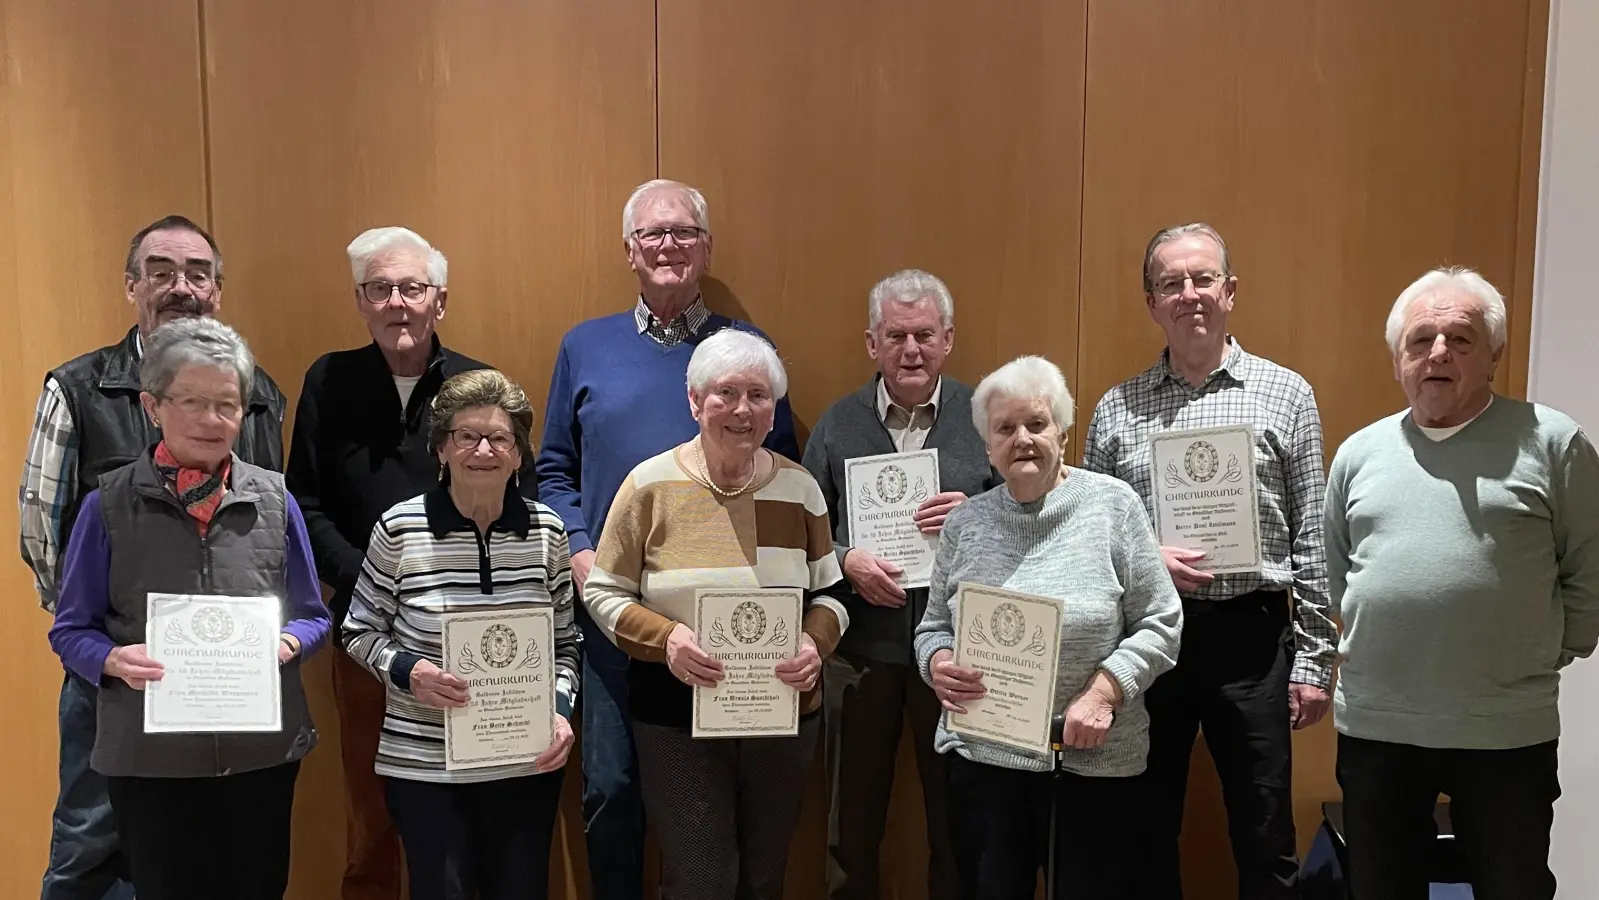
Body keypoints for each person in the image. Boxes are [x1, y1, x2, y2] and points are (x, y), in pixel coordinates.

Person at [536, 178, 799, 898]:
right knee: (612, 792)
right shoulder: (584, 347)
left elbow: (784, 472)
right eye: (652, 234)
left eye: (683, 232)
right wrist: (586, 556)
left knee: (711, 812)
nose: (668, 246)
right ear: (629, 251)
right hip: (613, 612)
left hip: (724, 630)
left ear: (706, 249)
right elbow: (553, 469)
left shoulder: (746, 352)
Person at [20, 214, 287, 900]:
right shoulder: (78, 386)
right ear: (131, 285)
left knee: (213, 849)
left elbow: (266, 532)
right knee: (89, 842)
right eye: (161, 271)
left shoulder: (260, 396)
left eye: (197, 273)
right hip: (114, 675)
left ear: (218, 290)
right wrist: (102, 643)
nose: (180, 287)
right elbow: (41, 531)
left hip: (224, 677)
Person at [1325, 267, 1599, 900]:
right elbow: (1341, 573)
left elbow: (1589, 569)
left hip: (1505, 728)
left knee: (1513, 888)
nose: (1438, 354)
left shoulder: (1552, 443)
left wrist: (1542, 650)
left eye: (1461, 339)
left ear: (1494, 355)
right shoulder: (1358, 454)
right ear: (1399, 357)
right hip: (1379, 727)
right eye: (1421, 340)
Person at [1082, 222, 1335, 898]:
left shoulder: (1286, 394)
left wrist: (1314, 661)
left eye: (1201, 279)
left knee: (1263, 833)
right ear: (1150, 302)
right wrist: (1142, 558)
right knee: (1143, 827)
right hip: (1150, 640)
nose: (1188, 294)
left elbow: (1312, 532)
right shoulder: (1115, 409)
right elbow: (1086, 540)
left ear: (1229, 291)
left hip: (1251, 640)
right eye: (1171, 283)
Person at [45, 318, 327, 900]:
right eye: (192, 401)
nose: (211, 419)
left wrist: (287, 642)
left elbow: (313, 613)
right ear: (152, 406)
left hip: (260, 755)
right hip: (151, 760)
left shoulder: (275, 499)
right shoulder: (108, 505)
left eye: (227, 404)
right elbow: (71, 628)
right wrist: (115, 660)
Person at [286, 226, 527, 900]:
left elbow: (520, 496)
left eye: (411, 289)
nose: (397, 303)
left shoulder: (480, 386)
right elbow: (303, 499)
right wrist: (376, 583)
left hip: (472, 638)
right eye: (379, 289)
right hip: (366, 635)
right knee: (371, 815)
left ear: (439, 301)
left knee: (467, 817)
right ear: (361, 301)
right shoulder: (328, 380)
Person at [583, 328, 846, 900]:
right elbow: (603, 594)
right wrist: (668, 639)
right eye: (726, 393)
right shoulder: (648, 485)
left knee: (763, 875)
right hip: (677, 716)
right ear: (695, 401)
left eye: (758, 394)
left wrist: (813, 646)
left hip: (783, 711)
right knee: (702, 879)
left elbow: (831, 594)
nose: (742, 410)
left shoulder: (800, 489)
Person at [914, 354, 1181, 900]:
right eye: (1005, 429)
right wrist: (938, 664)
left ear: (1062, 429)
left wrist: (1105, 693)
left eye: (1036, 424)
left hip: (1092, 765)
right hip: (984, 763)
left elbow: (1161, 621)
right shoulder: (966, 524)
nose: (1023, 440)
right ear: (987, 446)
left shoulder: (1112, 506)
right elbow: (933, 625)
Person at [343, 368, 580, 900]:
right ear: (441, 448)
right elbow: (358, 630)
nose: (483, 450)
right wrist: (410, 672)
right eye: (465, 436)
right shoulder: (399, 528)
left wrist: (561, 713)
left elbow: (566, 644)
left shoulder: (547, 532)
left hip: (524, 764)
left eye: (500, 438)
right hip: (427, 770)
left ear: (519, 454)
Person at [801, 268, 995, 900]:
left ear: (948, 340)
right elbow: (799, 535)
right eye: (896, 336)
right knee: (849, 827)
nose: (911, 350)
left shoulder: (987, 416)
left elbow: (1028, 520)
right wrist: (845, 560)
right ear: (871, 343)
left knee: (958, 823)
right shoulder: (836, 424)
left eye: (924, 335)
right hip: (860, 652)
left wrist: (974, 516)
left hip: (960, 653)